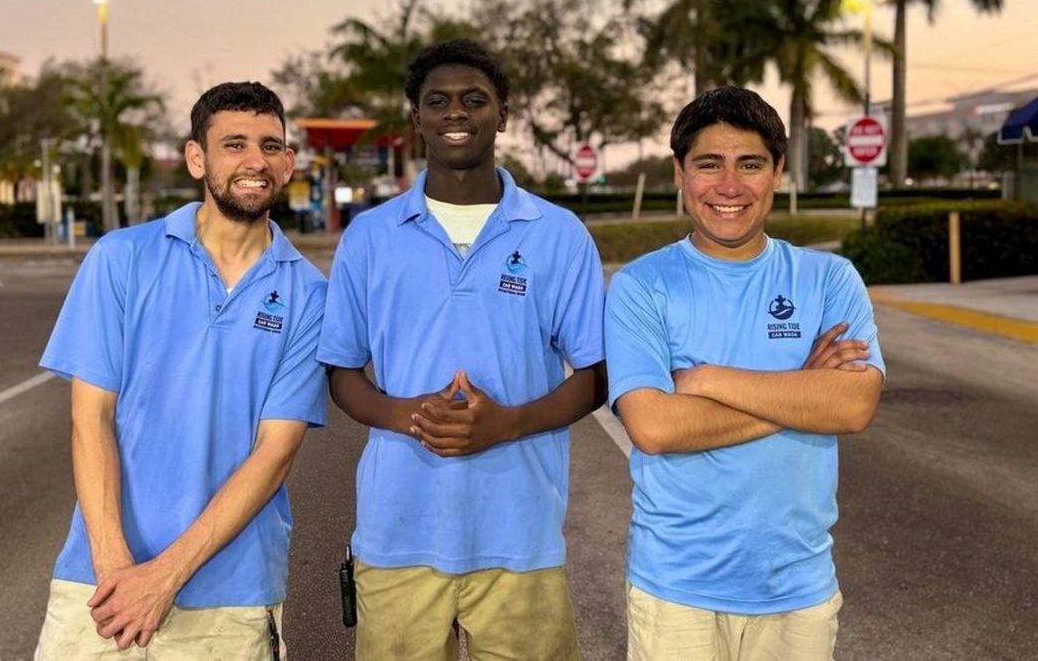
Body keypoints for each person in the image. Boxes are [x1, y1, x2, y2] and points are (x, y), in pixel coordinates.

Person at [317, 39, 606, 660]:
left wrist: (506, 424)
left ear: (502, 115)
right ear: (415, 117)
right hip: (398, 535)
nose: (456, 113)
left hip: (521, 536)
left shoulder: (559, 235)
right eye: (438, 101)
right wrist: (409, 414)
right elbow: (341, 369)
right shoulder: (370, 238)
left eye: (475, 100)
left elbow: (595, 373)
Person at [34, 81, 328, 660]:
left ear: (288, 163)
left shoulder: (310, 295)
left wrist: (166, 575)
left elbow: (274, 454)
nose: (254, 162)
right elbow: (90, 416)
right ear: (198, 158)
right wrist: (117, 566)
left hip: (232, 594)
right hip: (99, 579)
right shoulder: (122, 258)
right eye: (234, 144)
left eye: (271, 146)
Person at [604, 86, 885, 661]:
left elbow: (852, 407)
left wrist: (705, 378)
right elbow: (654, 427)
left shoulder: (828, 279)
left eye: (750, 164)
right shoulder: (641, 285)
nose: (729, 187)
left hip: (797, 588)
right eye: (709, 165)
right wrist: (802, 388)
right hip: (675, 590)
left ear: (778, 171)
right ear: (680, 172)